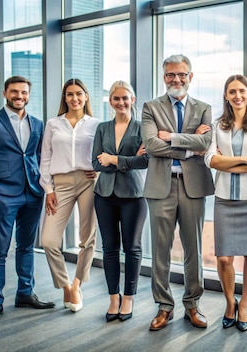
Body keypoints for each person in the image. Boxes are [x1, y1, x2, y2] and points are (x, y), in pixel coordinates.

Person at [0, 76, 55, 326]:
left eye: (24, 92)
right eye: (15, 92)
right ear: (5, 92)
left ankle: (25, 293)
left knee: (27, 246)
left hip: (32, 191)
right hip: (4, 194)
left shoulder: (38, 123)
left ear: (29, 95)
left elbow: (41, 157)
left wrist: (45, 186)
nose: (20, 96)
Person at [141, 54, 215, 331]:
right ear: (164, 78)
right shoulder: (151, 107)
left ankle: (193, 304)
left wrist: (170, 137)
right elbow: (150, 145)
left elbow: (206, 142)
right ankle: (164, 306)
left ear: (190, 77)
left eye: (181, 74)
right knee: (160, 250)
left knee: (193, 249)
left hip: (193, 185)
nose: (176, 79)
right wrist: (189, 147)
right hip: (161, 186)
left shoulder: (204, 108)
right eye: (171, 75)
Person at [204, 75, 247, 332]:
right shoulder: (216, 125)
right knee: (224, 259)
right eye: (232, 91)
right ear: (226, 96)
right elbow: (210, 160)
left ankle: (243, 305)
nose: (237, 96)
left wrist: (229, 161)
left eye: (242, 91)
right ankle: (229, 302)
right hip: (224, 199)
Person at [39, 78, 99, 313]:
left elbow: (103, 155)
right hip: (60, 184)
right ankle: (64, 283)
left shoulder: (96, 124)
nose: (74, 98)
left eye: (79, 94)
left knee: (88, 238)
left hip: (88, 182)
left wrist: (99, 168)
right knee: (49, 240)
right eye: (70, 94)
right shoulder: (53, 124)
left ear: (86, 97)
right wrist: (49, 190)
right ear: (64, 98)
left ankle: (77, 285)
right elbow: (45, 159)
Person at [92, 80, 148, 322]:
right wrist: (127, 160)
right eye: (116, 98)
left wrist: (113, 160)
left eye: (125, 98)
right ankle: (113, 297)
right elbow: (95, 163)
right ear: (110, 102)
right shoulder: (102, 128)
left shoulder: (142, 128)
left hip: (133, 196)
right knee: (109, 248)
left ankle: (128, 297)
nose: (121, 102)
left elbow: (146, 162)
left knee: (132, 248)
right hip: (104, 195)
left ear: (132, 100)